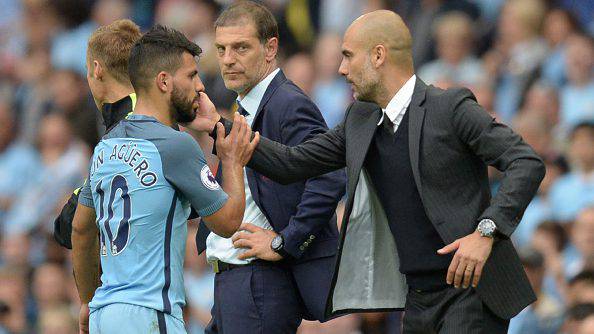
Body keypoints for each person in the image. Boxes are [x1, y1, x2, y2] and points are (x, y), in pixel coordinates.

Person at [194, 10, 545, 333]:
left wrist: (486, 232)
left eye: (348, 56)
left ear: (378, 56)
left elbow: (525, 162)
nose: (341, 69)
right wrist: (216, 124)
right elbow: (292, 163)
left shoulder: (449, 107)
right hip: (418, 296)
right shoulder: (361, 119)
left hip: (471, 287)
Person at [72, 25, 258, 334]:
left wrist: (86, 302)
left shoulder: (106, 145)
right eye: (191, 76)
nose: (200, 86)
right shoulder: (175, 145)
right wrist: (232, 160)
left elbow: (81, 229)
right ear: (164, 81)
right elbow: (227, 223)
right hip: (149, 312)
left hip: (105, 314)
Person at [191, 2, 345, 333]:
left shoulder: (288, 103)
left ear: (270, 48)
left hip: (257, 283)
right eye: (221, 49)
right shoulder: (248, 103)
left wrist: (284, 242)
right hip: (237, 282)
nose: (228, 59)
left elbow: (330, 175)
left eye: (240, 47)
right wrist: (215, 124)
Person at [53, 19, 142, 249]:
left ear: (96, 69)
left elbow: (67, 228)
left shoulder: (128, 126)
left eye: (86, 70)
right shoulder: (137, 115)